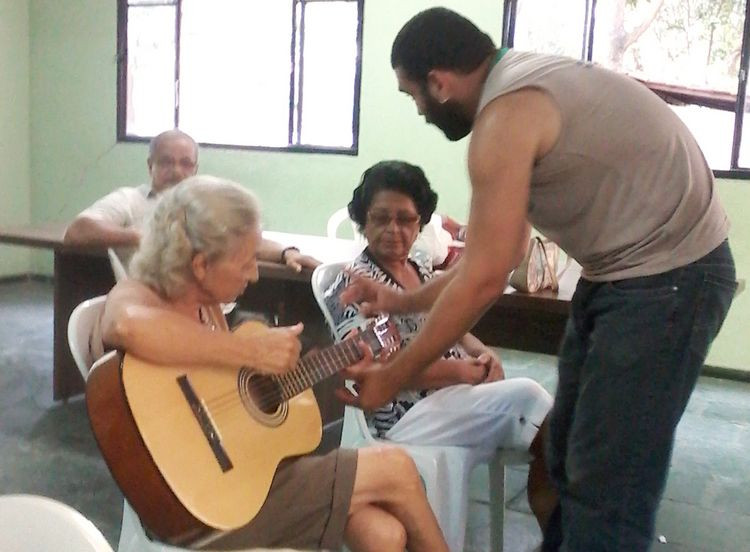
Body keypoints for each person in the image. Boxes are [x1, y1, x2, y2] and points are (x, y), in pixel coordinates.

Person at [339, 8, 737, 552]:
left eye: (413, 96)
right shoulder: (521, 84)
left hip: (669, 279)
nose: (419, 111)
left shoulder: (505, 118)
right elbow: (490, 254)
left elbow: (484, 278)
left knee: (608, 487)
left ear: (439, 82)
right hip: (621, 276)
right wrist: (402, 299)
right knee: (560, 458)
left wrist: (396, 375)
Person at [97, 175, 449, 552]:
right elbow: (124, 324)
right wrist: (250, 353)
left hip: (242, 480)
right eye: (246, 262)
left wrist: (319, 365)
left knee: (382, 533)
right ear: (200, 264)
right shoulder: (139, 293)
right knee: (397, 469)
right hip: (202, 511)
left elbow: (229, 397)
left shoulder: (205, 301)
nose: (254, 273)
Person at [325, 160, 556, 532]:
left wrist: (481, 351)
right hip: (404, 413)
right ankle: (558, 531)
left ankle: (556, 525)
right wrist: (458, 371)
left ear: (420, 225)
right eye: (380, 218)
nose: (393, 230)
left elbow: (451, 321)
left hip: (450, 400)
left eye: (406, 219)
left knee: (549, 425)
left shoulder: (419, 266)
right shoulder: (354, 285)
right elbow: (381, 374)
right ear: (362, 220)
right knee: (533, 401)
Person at [63, 129, 317, 271]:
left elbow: (243, 241)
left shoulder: (205, 206)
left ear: (195, 170)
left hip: (208, 309)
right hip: (153, 311)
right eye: (166, 162)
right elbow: (78, 231)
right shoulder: (130, 200)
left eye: (186, 164)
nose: (176, 171)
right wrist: (142, 236)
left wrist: (287, 253)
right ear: (150, 166)